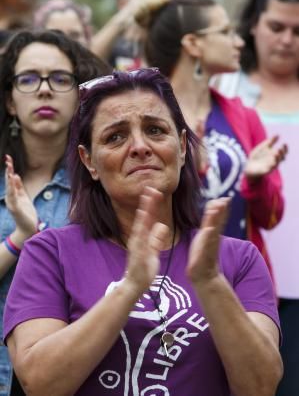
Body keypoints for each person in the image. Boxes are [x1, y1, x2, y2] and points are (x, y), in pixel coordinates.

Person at [3, 68, 282, 396]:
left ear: (181, 148)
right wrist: (130, 288)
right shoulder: (50, 252)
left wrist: (210, 284)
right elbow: (39, 383)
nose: (139, 146)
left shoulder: (239, 258)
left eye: (154, 130)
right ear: (89, 161)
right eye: (115, 137)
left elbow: (261, 385)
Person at [134, 0, 287, 275]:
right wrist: (190, 172)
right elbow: (129, 209)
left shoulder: (244, 115)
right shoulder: (142, 118)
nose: (239, 42)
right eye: (226, 32)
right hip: (171, 287)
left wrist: (255, 181)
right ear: (192, 43)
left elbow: (272, 217)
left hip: (241, 282)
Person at [0, 29, 111, 396]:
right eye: (28, 79)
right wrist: (19, 238)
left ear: (79, 96)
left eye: (60, 79)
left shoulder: (101, 185)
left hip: (67, 375)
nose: (44, 89)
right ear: (11, 101)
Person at [212, 0, 299, 396]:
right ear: (253, 26)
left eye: (298, 31)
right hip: (242, 278)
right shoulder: (224, 89)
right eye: (276, 27)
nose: (286, 40)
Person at [92, 0, 169, 70]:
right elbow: (88, 60)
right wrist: (125, 14)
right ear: (123, 3)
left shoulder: (171, 42)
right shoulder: (112, 43)